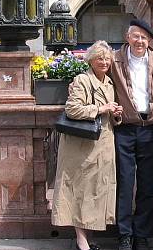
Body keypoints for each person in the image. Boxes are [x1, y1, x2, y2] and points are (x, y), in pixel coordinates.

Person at [51, 40, 123, 250]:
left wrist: (115, 114)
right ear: (91, 60)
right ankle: (82, 241)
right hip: (81, 147)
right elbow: (72, 109)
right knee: (80, 191)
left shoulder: (109, 83)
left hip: (103, 144)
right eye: (100, 58)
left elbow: (110, 114)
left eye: (107, 58)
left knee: (95, 191)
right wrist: (102, 108)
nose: (104, 62)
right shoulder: (82, 79)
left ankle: (88, 237)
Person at [110, 19, 153, 250]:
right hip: (125, 129)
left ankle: (142, 235)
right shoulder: (114, 60)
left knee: (148, 185)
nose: (140, 41)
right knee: (125, 183)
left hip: (152, 130)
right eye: (136, 36)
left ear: (149, 41)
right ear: (127, 37)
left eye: (144, 38)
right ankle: (124, 234)